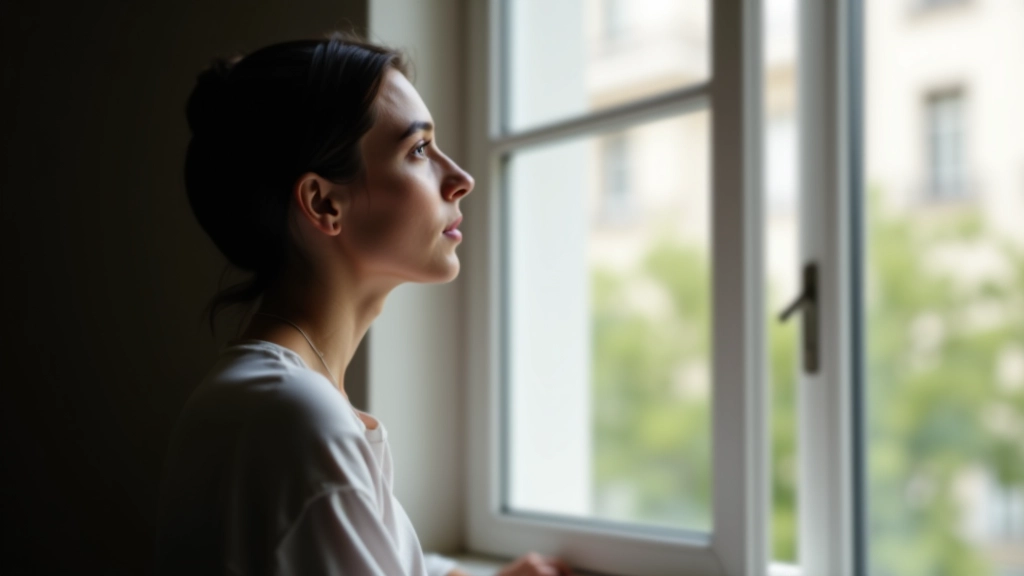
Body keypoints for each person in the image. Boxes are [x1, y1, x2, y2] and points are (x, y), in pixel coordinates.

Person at [155, 31, 573, 576]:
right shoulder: (298, 422)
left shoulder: (264, 399)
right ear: (324, 202)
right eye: (419, 150)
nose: (462, 179)